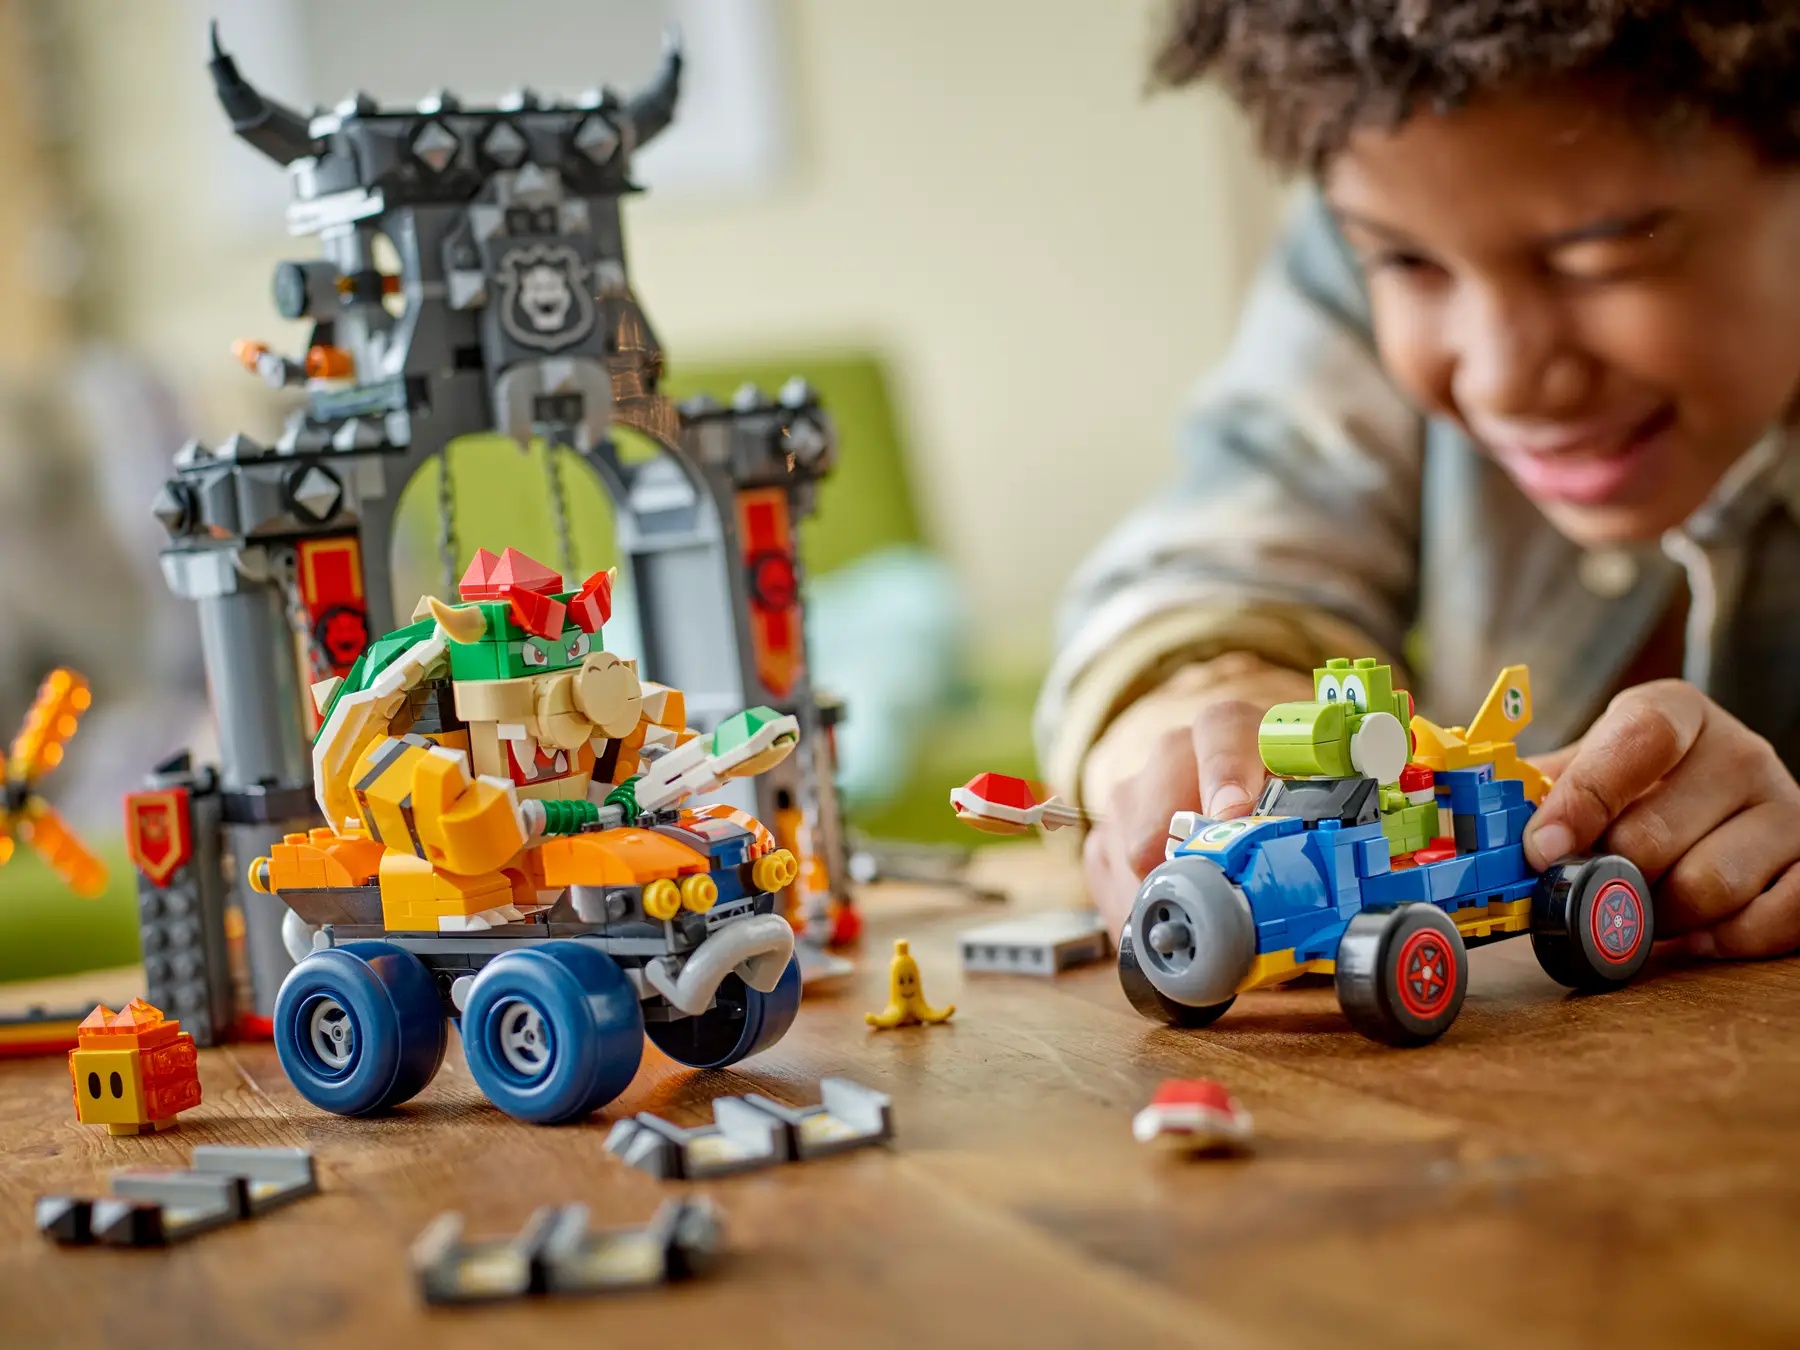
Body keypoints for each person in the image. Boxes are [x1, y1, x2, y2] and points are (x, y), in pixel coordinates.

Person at [1041, 2, 1800, 959]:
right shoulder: (1385, 172)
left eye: (1604, 256)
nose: (1502, 379)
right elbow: (1203, 575)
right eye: (1404, 262)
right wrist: (1204, 735)